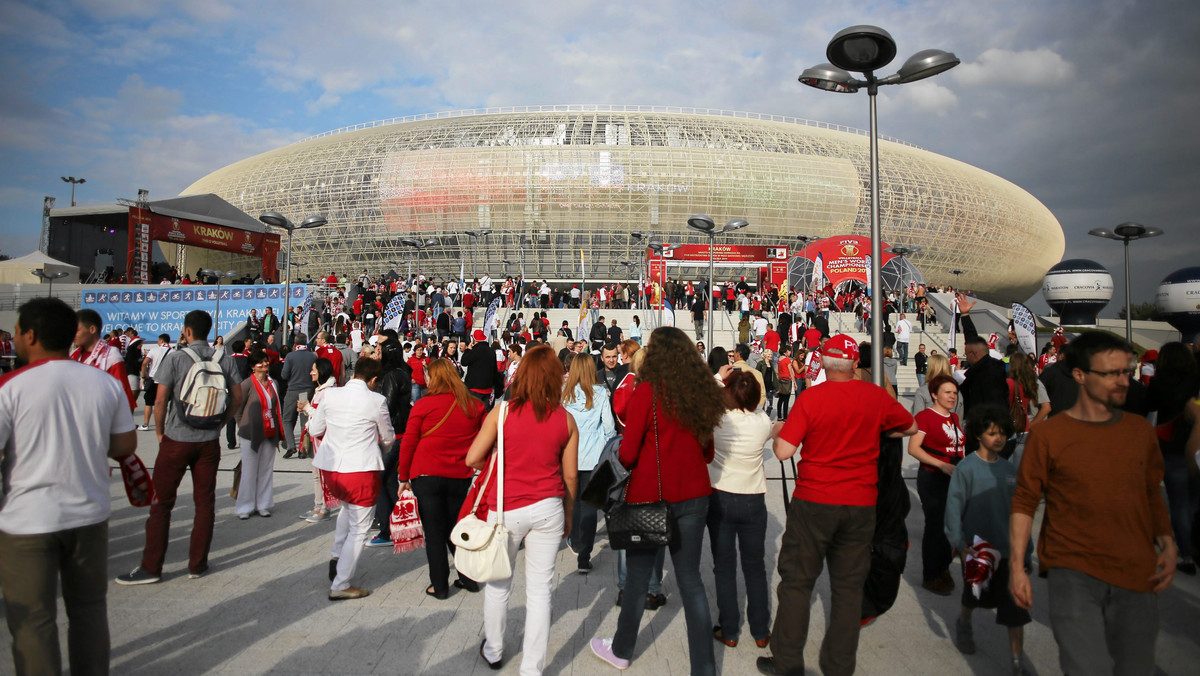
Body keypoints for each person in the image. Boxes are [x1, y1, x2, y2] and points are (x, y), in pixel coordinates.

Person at [1009, 331, 1175, 676]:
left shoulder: (1140, 432)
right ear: (1080, 375)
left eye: (1126, 372)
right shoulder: (1049, 436)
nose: (1122, 381)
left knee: (1135, 666)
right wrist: (1016, 567)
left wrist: (1167, 540)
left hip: (1135, 570)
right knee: (1087, 667)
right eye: (1110, 373)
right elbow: (1025, 502)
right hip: (1073, 572)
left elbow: (1151, 491)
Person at [759, 334, 916, 676]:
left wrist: (777, 432)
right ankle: (838, 667)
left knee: (798, 582)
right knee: (848, 589)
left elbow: (785, 452)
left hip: (814, 502)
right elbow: (911, 425)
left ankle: (786, 662)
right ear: (854, 364)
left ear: (824, 365)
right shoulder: (874, 397)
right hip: (860, 505)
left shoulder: (812, 398)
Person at [0, 297, 137, 675]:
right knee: (89, 611)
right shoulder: (103, 382)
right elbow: (125, 445)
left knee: (33, 620)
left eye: (14, 332)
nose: (13, 338)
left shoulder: (10, 386)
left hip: (27, 520)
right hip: (89, 514)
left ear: (30, 335)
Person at [591, 326, 727, 676]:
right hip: (695, 494)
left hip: (652, 497)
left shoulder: (647, 390)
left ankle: (622, 650)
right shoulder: (699, 394)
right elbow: (708, 453)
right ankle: (704, 668)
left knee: (637, 579)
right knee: (691, 580)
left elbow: (629, 451)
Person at [467, 345, 579, 674]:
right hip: (548, 507)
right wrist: (569, 514)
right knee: (540, 591)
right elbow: (570, 475)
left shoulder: (501, 413)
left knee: (499, 583)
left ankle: (494, 647)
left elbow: (472, 458)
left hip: (505, 508)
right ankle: (532, 668)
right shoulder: (565, 419)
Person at [117, 310, 243, 585]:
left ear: (186, 331)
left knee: (161, 504)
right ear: (209, 331)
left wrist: (160, 433)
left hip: (177, 438)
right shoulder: (225, 359)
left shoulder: (176, 358)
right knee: (205, 503)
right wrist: (219, 424)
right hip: (208, 442)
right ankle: (197, 564)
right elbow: (237, 396)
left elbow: (160, 400)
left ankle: (152, 567)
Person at [944, 404, 1030, 673]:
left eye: (1003, 433)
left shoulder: (1009, 470)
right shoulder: (966, 469)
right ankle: (964, 622)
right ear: (979, 434)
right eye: (992, 433)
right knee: (973, 596)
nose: (999, 438)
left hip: (1009, 551)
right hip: (978, 550)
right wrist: (958, 543)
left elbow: (1021, 511)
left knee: (1015, 610)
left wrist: (1025, 552)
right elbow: (954, 508)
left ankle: (1017, 661)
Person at [398, 359, 486, 598]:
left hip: (426, 473)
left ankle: (439, 584)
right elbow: (482, 442)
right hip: (460, 474)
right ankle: (468, 577)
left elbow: (409, 442)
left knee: (434, 532)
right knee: (455, 527)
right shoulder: (475, 406)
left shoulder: (424, 405)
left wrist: (402, 476)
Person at [307, 358, 394, 600]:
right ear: (374, 380)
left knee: (347, 509)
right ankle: (341, 582)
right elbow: (387, 437)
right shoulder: (376, 400)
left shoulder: (331, 396)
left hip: (332, 468)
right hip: (361, 470)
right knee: (360, 529)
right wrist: (381, 449)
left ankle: (337, 555)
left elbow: (315, 430)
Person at [709, 370, 774, 649]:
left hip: (721, 495)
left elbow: (702, 396)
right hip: (753, 498)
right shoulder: (762, 422)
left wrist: (717, 377)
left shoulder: (718, 420)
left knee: (724, 567)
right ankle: (760, 630)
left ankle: (730, 629)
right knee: (755, 567)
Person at [907, 375, 967, 595]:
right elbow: (914, 448)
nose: (952, 397)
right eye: (947, 392)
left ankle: (943, 567)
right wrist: (941, 465)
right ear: (934, 394)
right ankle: (931, 574)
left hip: (953, 475)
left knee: (950, 525)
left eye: (954, 393)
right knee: (935, 526)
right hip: (933, 477)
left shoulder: (954, 418)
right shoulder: (925, 417)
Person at [1147, 342, 1200, 575]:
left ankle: (1187, 555)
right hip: (1196, 442)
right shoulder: (1195, 381)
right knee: (1194, 500)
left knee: (1178, 503)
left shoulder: (1159, 383)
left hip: (1170, 445)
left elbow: (1149, 408)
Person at [563, 353, 617, 573]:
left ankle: (574, 540)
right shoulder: (601, 393)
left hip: (569, 454)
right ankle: (584, 555)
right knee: (589, 506)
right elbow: (608, 427)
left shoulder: (564, 394)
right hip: (593, 456)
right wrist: (604, 446)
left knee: (572, 500)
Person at [233, 349, 283, 519]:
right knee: (249, 470)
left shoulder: (273, 383)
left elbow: (276, 407)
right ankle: (245, 506)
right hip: (250, 433)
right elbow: (237, 408)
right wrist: (243, 425)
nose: (264, 365)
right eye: (260, 363)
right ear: (253, 367)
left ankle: (263, 504)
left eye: (266, 361)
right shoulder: (247, 383)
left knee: (266, 470)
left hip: (270, 431)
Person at [298, 358, 338, 523]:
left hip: (323, 440)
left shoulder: (327, 392)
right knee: (316, 474)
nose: (311, 372)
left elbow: (323, 417)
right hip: (317, 438)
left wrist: (307, 408)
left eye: (313, 369)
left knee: (322, 474)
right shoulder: (323, 389)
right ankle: (318, 505)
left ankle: (324, 508)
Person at [71, 309, 137, 410]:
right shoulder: (72, 356)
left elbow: (123, 394)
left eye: (77, 330)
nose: (73, 334)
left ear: (92, 329)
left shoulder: (111, 356)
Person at [280, 333, 317, 459]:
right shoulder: (312, 356)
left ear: (295, 343)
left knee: (287, 419)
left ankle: (291, 445)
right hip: (306, 391)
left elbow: (284, 375)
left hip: (292, 389)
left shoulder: (290, 356)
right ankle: (303, 448)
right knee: (304, 420)